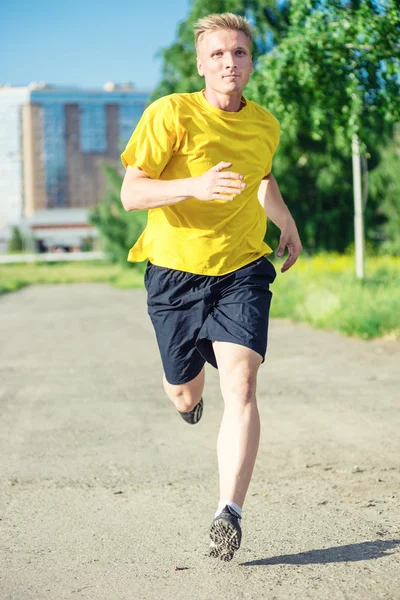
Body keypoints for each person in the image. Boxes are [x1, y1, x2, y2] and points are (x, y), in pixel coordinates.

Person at [120, 12, 302, 562]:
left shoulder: (265, 125)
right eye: (218, 54)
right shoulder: (171, 114)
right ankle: (184, 399)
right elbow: (132, 193)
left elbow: (263, 181)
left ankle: (230, 512)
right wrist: (196, 184)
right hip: (174, 272)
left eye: (239, 53)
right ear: (201, 63)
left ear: (251, 62)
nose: (230, 62)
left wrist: (286, 222)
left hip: (241, 270)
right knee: (186, 392)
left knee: (243, 384)